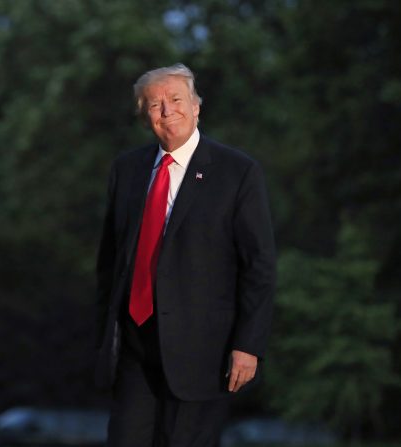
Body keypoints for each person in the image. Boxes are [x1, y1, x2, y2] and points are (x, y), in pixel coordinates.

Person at [94, 63, 276, 446]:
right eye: (154, 104)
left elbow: (258, 265)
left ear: (196, 106)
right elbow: (110, 260)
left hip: (203, 353)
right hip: (134, 348)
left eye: (176, 99)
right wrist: (104, 333)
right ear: (145, 116)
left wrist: (249, 344)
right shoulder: (126, 170)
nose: (166, 110)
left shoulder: (237, 171)